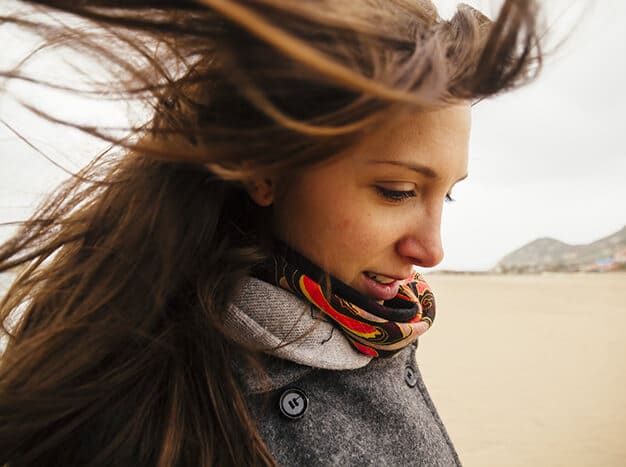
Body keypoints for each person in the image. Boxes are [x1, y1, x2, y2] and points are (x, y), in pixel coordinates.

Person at [0, 0, 543, 465]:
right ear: (265, 167)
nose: (432, 249)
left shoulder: (372, 327)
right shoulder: (148, 408)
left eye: (445, 194)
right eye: (398, 191)